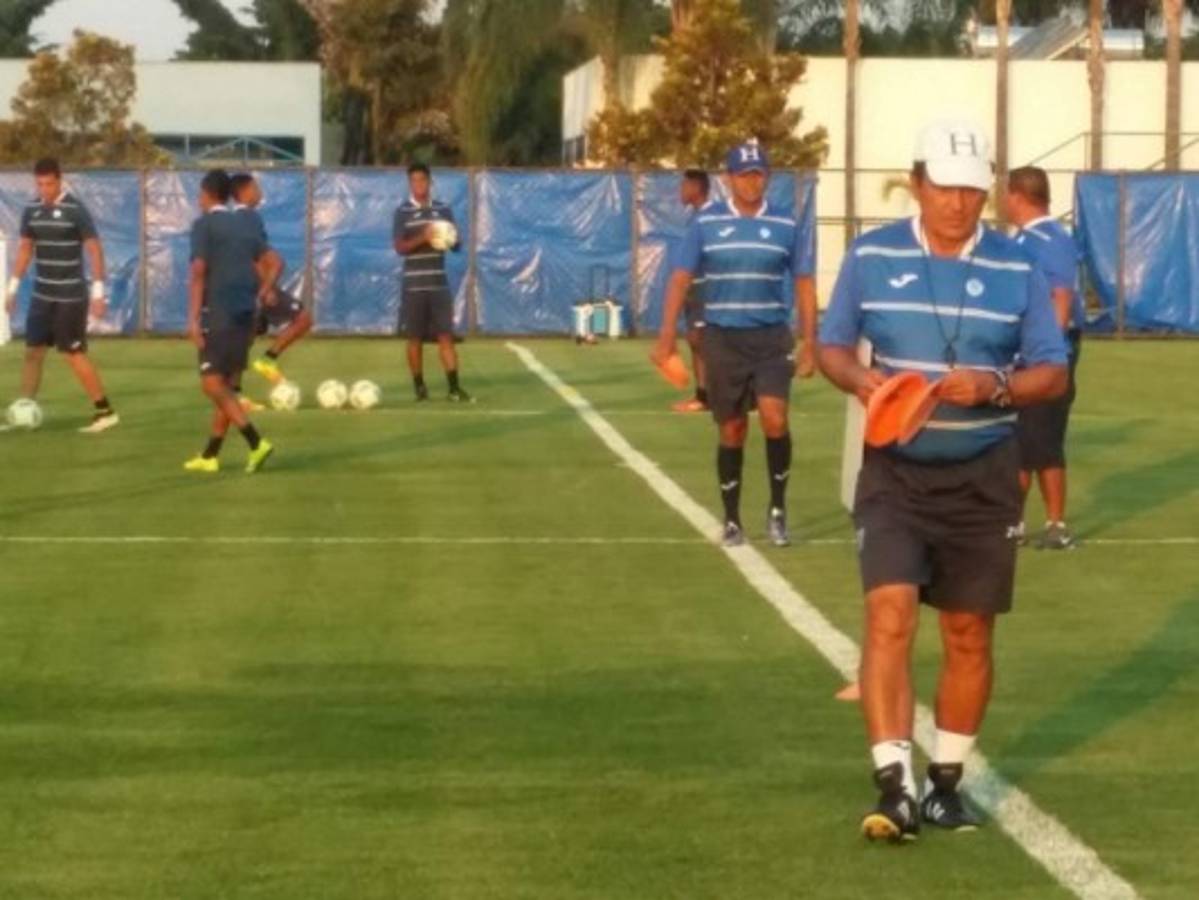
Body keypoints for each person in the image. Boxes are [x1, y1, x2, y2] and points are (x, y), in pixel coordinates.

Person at [818, 120, 1068, 843]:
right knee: (889, 613)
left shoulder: (1018, 266)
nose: (958, 202)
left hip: (984, 474)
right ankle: (893, 785)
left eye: (971, 190)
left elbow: (1051, 370)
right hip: (894, 472)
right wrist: (863, 382)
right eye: (945, 187)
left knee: (967, 631)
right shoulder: (870, 255)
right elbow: (831, 346)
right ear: (917, 183)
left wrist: (994, 386)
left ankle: (944, 785)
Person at [652, 138, 818, 548]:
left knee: (775, 419)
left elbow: (804, 282)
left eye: (758, 174)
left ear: (768, 177)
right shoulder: (706, 222)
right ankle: (732, 519)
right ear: (728, 178)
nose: (751, 182)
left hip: (771, 337)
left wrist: (810, 341)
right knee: (732, 429)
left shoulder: (786, 223)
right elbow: (680, 277)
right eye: (743, 175)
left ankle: (777, 511)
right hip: (723, 339)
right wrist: (666, 336)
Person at [5, 157, 119, 433]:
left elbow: (94, 249)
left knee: (72, 352)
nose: (44, 189)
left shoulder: (75, 209)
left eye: (49, 184)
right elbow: (25, 249)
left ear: (60, 180)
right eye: (40, 184)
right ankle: (24, 410)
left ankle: (105, 411)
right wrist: (12, 289)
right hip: (42, 294)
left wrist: (99, 292)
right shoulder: (31, 210)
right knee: (33, 351)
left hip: (70, 295)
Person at [1006, 166, 1083, 550]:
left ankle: (1056, 525)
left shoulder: (1050, 239)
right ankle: (1014, 524)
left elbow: (1061, 298)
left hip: (1045, 358)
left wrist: (1048, 354)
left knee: (1044, 440)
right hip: (1024, 355)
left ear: (1017, 196)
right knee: (1020, 442)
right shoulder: (1026, 238)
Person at [184, 169, 279, 474]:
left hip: (219, 313)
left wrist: (193, 319)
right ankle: (210, 455)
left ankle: (255, 442)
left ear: (207, 194)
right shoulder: (245, 222)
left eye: (200, 194)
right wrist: (264, 291)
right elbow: (274, 262)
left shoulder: (204, 225)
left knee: (212, 384)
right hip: (246, 314)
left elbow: (198, 271)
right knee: (227, 387)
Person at [393, 163, 471, 403]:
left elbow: (456, 245)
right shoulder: (402, 211)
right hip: (413, 286)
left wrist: (449, 238)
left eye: (422, 180)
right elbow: (400, 247)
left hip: (438, 284)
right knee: (414, 338)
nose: (418, 184)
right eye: (414, 180)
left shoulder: (443, 210)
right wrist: (424, 237)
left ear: (430, 182)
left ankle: (454, 389)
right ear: (410, 184)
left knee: (445, 336)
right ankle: (420, 387)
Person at [227, 174, 314, 387]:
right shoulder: (249, 218)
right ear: (246, 190)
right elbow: (252, 256)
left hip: (241, 287)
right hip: (255, 286)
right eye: (256, 187)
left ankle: (235, 392)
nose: (259, 191)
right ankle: (267, 360)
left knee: (245, 339)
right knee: (303, 319)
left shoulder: (236, 219)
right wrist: (266, 287)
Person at [670, 169, 712, 413]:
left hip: (708, 288)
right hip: (696, 287)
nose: (681, 191)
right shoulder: (696, 217)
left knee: (701, 340)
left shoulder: (710, 217)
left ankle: (716, 395)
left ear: (696, 188)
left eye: (684, 186)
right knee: (697, 341)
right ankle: (704, 395)